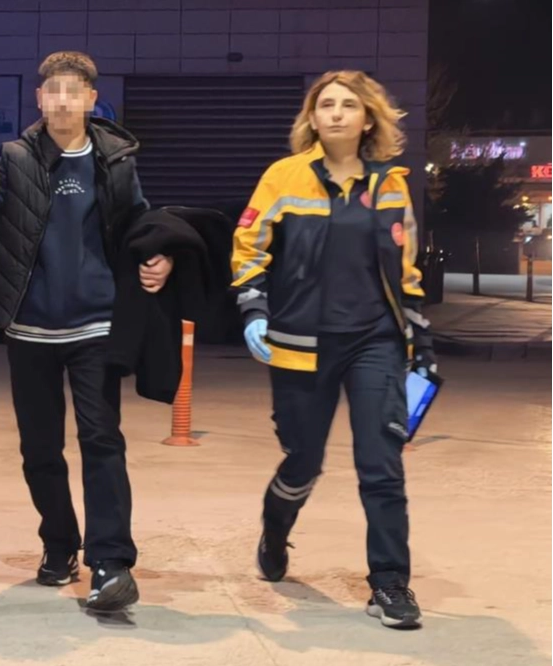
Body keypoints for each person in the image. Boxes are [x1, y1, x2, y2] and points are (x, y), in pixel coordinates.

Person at [231, 71, 436, 629]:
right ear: (313, 118)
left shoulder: (390, 185)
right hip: (301, 343)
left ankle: (390, 582)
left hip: (375, 341)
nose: (338, 113)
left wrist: (419, 338)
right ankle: (276, 529)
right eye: (327, 104)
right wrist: (253, 308)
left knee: (381, 465)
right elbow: (249, 246)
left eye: (350, 105)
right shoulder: (284, 176)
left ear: (369, 118)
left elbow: (406, 270)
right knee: (303, 461)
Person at [0, 51, 172, 612]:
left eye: (73, 91)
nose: (62, 101)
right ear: (39, 99)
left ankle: (110, 562)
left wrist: (160, 257)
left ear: (91, 99)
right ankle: (59, 544)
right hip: (29, 325)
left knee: (102, 440)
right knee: (39, 448)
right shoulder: (13, 158)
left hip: (96, 324)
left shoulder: (116, 159)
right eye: (53, 91)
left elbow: (138, 224)